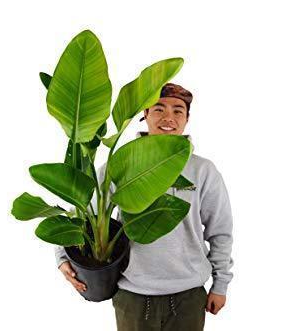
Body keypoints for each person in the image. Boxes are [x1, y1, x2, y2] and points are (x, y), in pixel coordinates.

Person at [56, 83, 234, 330]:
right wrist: (63, 257)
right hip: (132, 295)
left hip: (189, 295)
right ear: (145, 115)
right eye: (158, 109)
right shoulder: (117, 167)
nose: (168, 118)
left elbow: (220, 231)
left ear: (187, 118)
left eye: (178, 111)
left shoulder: (203, 170)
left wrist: (220, 284)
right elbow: (82, 213)